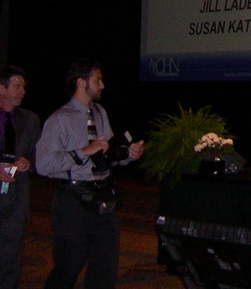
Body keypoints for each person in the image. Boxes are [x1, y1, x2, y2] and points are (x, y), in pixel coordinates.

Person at [36, 59, 144, 289]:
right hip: (72, 200)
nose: (102, 85)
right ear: (80, 82)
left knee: (105, 267)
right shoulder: (60, 119)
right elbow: (44, 164)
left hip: (102, 197)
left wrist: (128, 154)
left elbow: (106, 156)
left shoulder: (99, 112)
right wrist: (83, 151)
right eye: (98, 80)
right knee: (69, 265)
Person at [0, 65, 41, 289]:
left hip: (16, 199)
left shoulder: (30, 119)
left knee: (11, 258)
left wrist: (29, 162)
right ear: (1, 88)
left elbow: (40, 154)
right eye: (16, 86)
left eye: (24, 87)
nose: (22, 92)